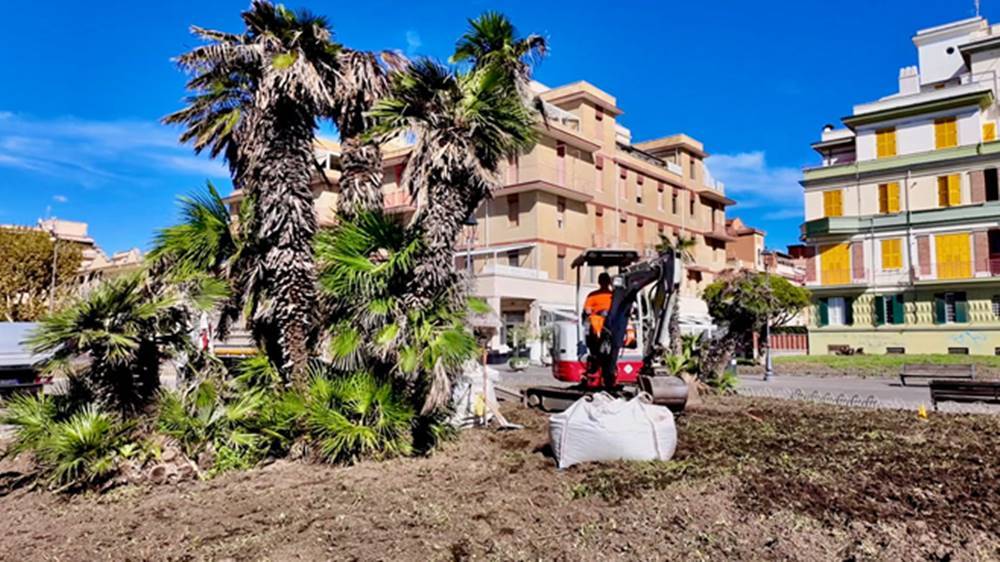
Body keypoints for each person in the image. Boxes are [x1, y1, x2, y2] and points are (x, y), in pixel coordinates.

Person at [582, 272, 616, 388]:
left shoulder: (592, 295)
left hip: (602, 323)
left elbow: (587, 310)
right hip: (607, 324)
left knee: (593, 332)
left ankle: (596, 355)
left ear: (599, 282)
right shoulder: (614, 295)